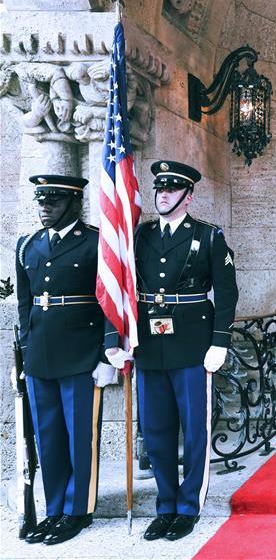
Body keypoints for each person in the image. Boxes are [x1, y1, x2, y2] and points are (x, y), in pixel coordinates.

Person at [105, 160, 238, 542]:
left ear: (188, 196)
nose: (163, 194)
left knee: (195, 429)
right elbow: (120, 286)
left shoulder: (209, 237)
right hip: (149, 344)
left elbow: (226, 293)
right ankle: (165, 503)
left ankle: (188, 506)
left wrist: (220, 341)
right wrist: (116, 338)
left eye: (172, 189)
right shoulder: (140, 235)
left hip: (192, 345)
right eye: (160, 188)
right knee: (157, 430)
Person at [13, 175, 116, 545]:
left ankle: (77, 510)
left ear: (73, 203)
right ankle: (54, 508)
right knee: (48, 436)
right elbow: (25, 306)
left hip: (80, 354)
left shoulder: (94, 243)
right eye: (41, 201)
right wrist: (24, 355)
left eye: (53, 201)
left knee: (79, 437)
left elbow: (109, 301)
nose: (45, 208)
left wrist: (108, 353)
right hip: (40, 354)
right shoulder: (28, 245)